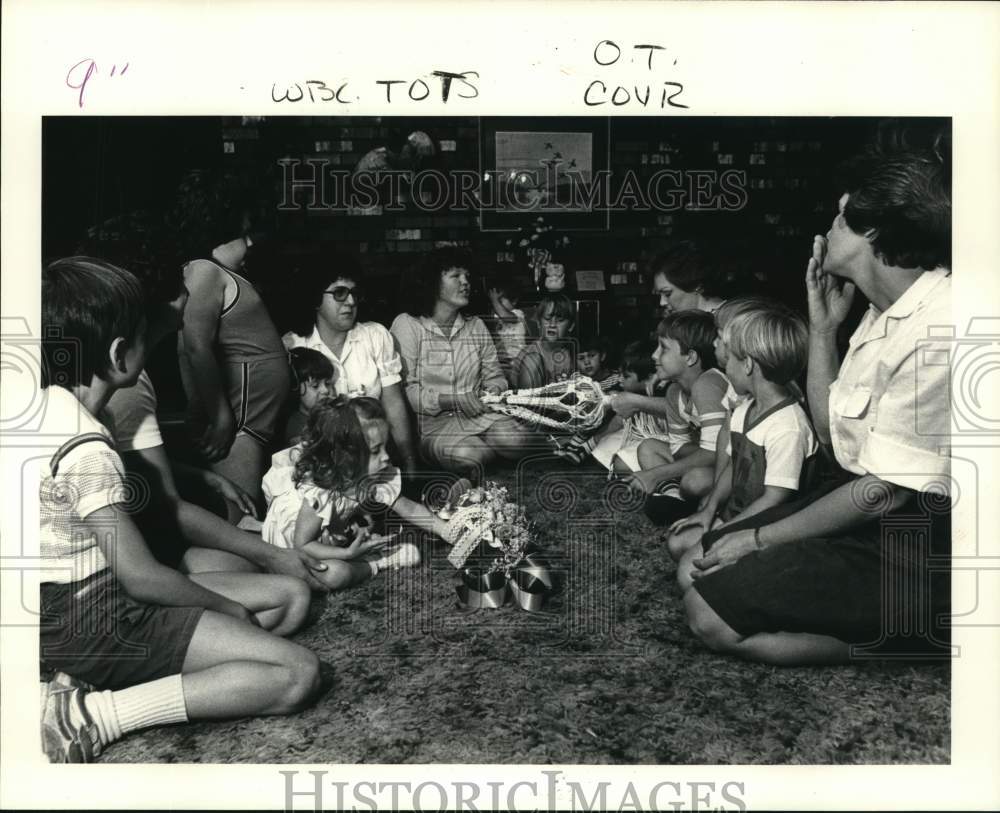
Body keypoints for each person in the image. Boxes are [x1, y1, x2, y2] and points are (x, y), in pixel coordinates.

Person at [38, 258, 320, 763]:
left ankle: (81, 678)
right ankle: (97, 716)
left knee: (285, 601)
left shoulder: (45, 410)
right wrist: (227, 611)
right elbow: (142, 578)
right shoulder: (85, 445)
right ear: (120, 354)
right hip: (94, 614)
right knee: (295, 673)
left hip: (63, 608)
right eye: (146, 334)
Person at [683, 147, 953, 664]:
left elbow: (885, 495)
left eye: (839, 216)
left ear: (872, 231)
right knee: (699, 565)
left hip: (922, 541)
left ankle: (919, 642)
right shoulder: (882, 313)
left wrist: (759, 539)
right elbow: (832, 433)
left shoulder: (940, 326)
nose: (827, 229)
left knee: (709, 616)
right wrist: (824, 327)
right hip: (863, 504)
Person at [100, 250, 329, 588]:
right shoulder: (129, 388)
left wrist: (206, 478)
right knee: (267, 578)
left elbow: (129, 464)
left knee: (255, 568)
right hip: (127, 560)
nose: (190, 296)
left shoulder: (135, 380)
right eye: (182, 289)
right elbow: (167, 505)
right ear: (162, 303)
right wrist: (271, 555)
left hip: (150, 528)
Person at [669, 307, 817, 574]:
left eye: (729, 362)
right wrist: (709, 510)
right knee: (677, 544)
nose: (724, 367)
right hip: (738, 515)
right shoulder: (744, 409)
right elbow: (733, 466)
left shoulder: (787, 427)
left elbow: (775, 499)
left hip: (768, 528)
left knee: (686, 574)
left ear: (748, 364)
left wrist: (727, 531)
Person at [261, 397, 453, 591]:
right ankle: (376, 563)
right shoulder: (319, 493)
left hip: (326, 539)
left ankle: (358, 556)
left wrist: (449, 531)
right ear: (346, 457)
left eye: (386, 447)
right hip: (293, 548)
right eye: (376, 451)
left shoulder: (373, 473)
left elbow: (410, 509)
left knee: (357, 539)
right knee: (335, 574)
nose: (386, 457)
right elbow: (302, 545)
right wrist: (347, 554)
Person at [177, 209, 291, 517]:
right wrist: (220, 417)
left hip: (250, 418)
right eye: (245, 240)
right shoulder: (204, 271)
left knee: (245, 508)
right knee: (240, 512)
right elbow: (194, 347)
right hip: (240, 421)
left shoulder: (216, 274)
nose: (249, 249)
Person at [390, 248, 535, 484]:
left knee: (518, 440)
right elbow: (406, 392)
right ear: (432, 282)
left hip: (479, 414)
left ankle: (492, 447)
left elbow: (495, 376)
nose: (465, 282)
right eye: (455, 276)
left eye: (467, 276)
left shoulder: (475, 325)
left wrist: (494, 391)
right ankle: (482, 451)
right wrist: (452, 399)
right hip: (431, 426)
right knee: (474, 455)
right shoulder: (407, 325)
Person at [283, 255, 418, 473]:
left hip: (376, 459)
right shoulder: (293, 346)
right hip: (324, 465)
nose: (351, 301)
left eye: (354, 293)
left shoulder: (375, 335)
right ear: (316, 297)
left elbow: (394, 405)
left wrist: (408, 461)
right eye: (339, 293)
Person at [611, 310, 731, 523]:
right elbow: (678, 448)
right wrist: (690, 454)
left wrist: (656, 474)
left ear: (691, 357)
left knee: (694, 481)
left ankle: (692, 500)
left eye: (664, 348)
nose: (655, 356)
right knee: (648, 447)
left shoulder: (708, 384)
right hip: (706, 456)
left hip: (731, 464)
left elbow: (716, 453)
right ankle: (674, 497)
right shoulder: (674, 392)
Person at [586, 340, 670, 472]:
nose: (620, 379)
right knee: (601, 452)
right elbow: (619, 421)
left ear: (648, 378)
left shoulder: (662, 395)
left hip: (659, 441)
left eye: (626, 376)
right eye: (619, 374)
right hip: (638, 436)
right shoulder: (630, 394)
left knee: (620, 464)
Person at [511, 292, 576, 389]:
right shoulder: (529, 355)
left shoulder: (574, 353)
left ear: (570, 326)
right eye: (547, 318)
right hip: (531, 401)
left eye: (560, 320)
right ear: (538, 323)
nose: (552, 325)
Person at [649, 241, 727, 318]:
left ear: (697, 286)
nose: (662, 303)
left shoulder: (731, 322)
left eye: (667, 293)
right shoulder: (689, 322)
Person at [283, 347, 336, 447]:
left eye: (328, 383)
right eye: (315, 386)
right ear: (295, 388)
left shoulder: (328, 414)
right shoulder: (296, 427)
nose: (325, 390)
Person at [487, 279, 528, 381]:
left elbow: (505, 316)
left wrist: (494, 300)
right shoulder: (496, 316)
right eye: (496, 301)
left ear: (514, 301)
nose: (496, 304)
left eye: (500, 300)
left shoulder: (518, 314)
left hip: (518, 360)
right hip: (502, 361)